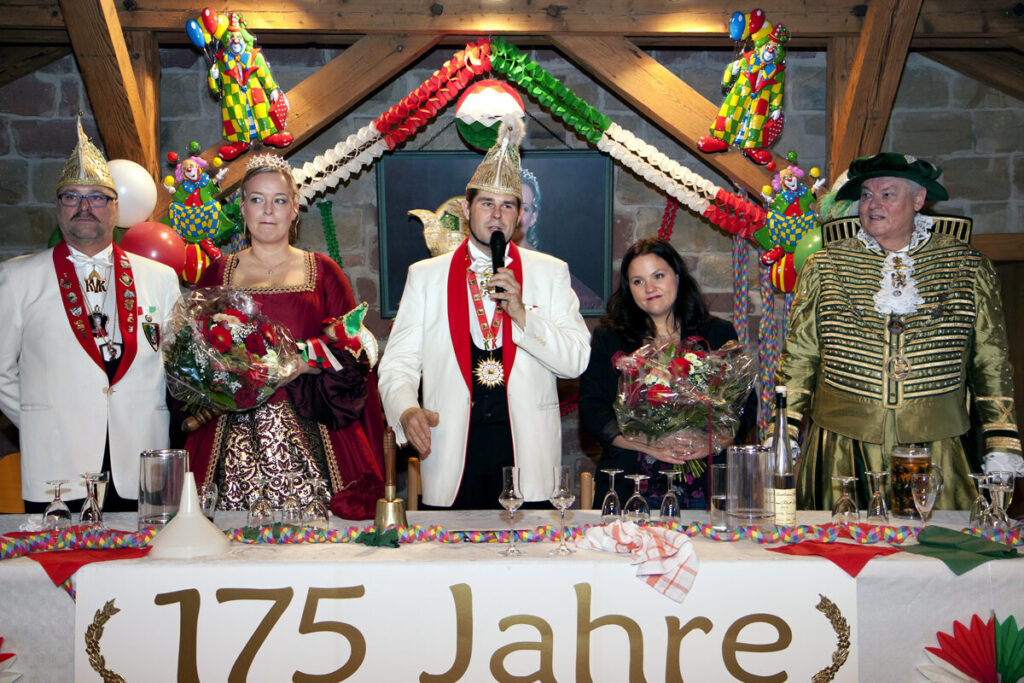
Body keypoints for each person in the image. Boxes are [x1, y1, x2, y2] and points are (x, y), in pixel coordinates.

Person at [776, 152, 1022, 510]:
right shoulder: (824, 265)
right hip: (842, 447)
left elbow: (991, 362)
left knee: (936, 542)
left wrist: (1001, 442)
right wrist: (785, 431)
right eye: (866, 195)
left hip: (939, 444)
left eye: (887, 194)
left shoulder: (968, 266)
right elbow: (799, 356)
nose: (872, 204)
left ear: (918, 199)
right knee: (841, 541)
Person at [379, 117, 591, 509]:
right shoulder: (425, 276)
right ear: (466, 208)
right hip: (451, 456)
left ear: (521, 216)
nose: (497, 214)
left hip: (529, 460)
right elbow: (398, 365)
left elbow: (576, 361)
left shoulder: (550, 272)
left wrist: (522, 314)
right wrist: (406, 409)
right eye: (487, 203)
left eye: (508, 205)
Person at [183, 154, 384, 519]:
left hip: (313, 420)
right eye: (257, 199)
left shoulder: (323, 271)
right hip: (229, 425)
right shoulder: (218, 272)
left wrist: (302, 362)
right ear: (242, 208)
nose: (268, 211)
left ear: (294, 209)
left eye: (279, 200)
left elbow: (351, 347)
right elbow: (195, 352)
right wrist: (230, 369)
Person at [0, 119, 181, 511]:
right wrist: (40, 420)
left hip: (141, 458)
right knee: (58, 553)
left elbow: (178, 368)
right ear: (57, 207)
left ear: (116, 208)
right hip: (56, 461)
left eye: (97, 197)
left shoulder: (161, 278)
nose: (84, 207)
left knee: (145, 552)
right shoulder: (16, 278)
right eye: (72, 197)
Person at [579, 238, 755, 508]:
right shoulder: (610, 337)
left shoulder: (717, 333)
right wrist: (646, 444)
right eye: (638, 281)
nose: (649, 288)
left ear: (677, 276)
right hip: (630, 482)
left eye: (658, 276)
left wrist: (712, 443)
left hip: (706, 484)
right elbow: (592, 408)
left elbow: (745, 406)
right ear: (628, 289)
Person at [697, 24, 788, 166]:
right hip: (739, 98)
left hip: (759, 103)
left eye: (775, 49)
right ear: (760, 47)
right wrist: (731, 71)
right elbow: (728, 80)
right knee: (730, 117)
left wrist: (776, 107)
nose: (770, 50)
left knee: (755, 125)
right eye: (768, 46)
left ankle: (751, 147)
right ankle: (721, 140)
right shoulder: (746, 61)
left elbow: (777, 91)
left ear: (778, 55)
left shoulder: (777, 73)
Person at [517, 167, 604, 311]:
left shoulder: (550, 267)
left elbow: (596, 307)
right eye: (507, 205)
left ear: (533, 217)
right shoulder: (479, 262)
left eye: (523, 208)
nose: (514, 215)